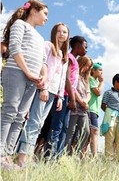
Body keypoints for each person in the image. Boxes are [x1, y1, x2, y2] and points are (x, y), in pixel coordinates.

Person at [0, 0, 48, 168]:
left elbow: (43, 61)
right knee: (9, 112)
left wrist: (43, 77)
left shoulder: (41, 38)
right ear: (34, 10)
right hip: (16, 73)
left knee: (20, 117)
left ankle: (7, 155)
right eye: (45, 13)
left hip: (33, 80)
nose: (46, 18)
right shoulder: (20, 25)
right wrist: (28, 72)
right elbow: (14, 47)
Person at [16, 22, 69, 167]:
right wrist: (44, 87)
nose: (62, 34)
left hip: (53, 94)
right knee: (33, 122)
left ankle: (27, 155)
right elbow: (42, 66)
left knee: (39, 125)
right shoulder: (47, 46)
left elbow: (62, 78)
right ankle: (21, 158)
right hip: (42, 89)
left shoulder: (64, 55)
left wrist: (60, 96)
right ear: (54, 32)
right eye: (59, 31)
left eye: (64, 32)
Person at [45, 35, 87, 159]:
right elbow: (67, 79)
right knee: (57, 126)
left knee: (64, 127)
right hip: (63, 96)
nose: (86, 50)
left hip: (68, 97)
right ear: (77, 46)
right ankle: (49, 156)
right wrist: (73, 99)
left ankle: (57, 156)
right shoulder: (69, 57)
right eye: (85, 47)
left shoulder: (74, 59)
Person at [65, 55, 92, 158]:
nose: (87, 68)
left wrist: (85, 101)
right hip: (74, 106)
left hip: (84, 109)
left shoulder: (85, 79)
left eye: (89, 67)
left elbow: (88, 93)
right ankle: (66, 153)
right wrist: (80, 101)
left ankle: (77, 153)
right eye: (86, 65)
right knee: (70, 131)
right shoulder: (75, 75)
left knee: (86, 131)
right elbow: (72, 88)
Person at [100, 73, 119, 159]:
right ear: (116, 82)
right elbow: (103, 105)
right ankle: (109, 159)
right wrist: (110, 112)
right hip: (111, 117)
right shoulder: (108, 93)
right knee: (110, 138)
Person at [86, 62, 104, 157]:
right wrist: (102, 82)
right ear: (93, 70)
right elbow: (98, 92)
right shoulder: (91, 79)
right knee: (94, 132)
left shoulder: (96, 82)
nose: (102, 72)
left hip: (96, 110)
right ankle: (94, 155)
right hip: (91, 109)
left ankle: (87, 154)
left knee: (91, 133)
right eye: (100, 70)